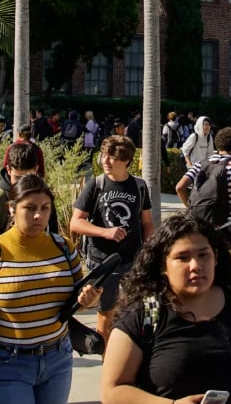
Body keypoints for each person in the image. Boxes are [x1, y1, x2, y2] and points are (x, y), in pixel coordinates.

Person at [0, 174, 99, 404]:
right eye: (30, 208)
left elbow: (76, 302)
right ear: (12, 208)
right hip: (7, 364)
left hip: (57, 359)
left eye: (45, 208)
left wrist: (89, 300)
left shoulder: (63, 248)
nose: (39, 215)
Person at [99, 214, 231, 404]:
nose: (196, 266)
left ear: (215, 257)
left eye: (203, 255)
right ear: (162, 265)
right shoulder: (143, 313)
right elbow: (112, 391)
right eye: (182, 258)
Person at [71, 135, 154, 342]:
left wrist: (149, 250)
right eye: (104, 156)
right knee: (105, 314)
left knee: (134, 313)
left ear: (125, 160)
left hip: (132, 260)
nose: (105, 162)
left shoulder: (139, 186)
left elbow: (146, 222)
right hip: (103, 262)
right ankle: (107, 360)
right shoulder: (96, 185)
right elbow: (76, 222)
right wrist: (105, 232)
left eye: (112, 157)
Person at [176, 127, 231, 291]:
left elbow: (180, 187)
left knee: (215, 258)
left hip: (201, 223)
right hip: (229, 223)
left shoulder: (202, 163)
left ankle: (212, 290)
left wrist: (190, 207)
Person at [0, 142, 46, 253]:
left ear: (36, 170)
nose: (22, 183)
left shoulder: (44, 200)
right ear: (9, 170)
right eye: (17, 177)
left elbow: (51, 238)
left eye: (27, 177)